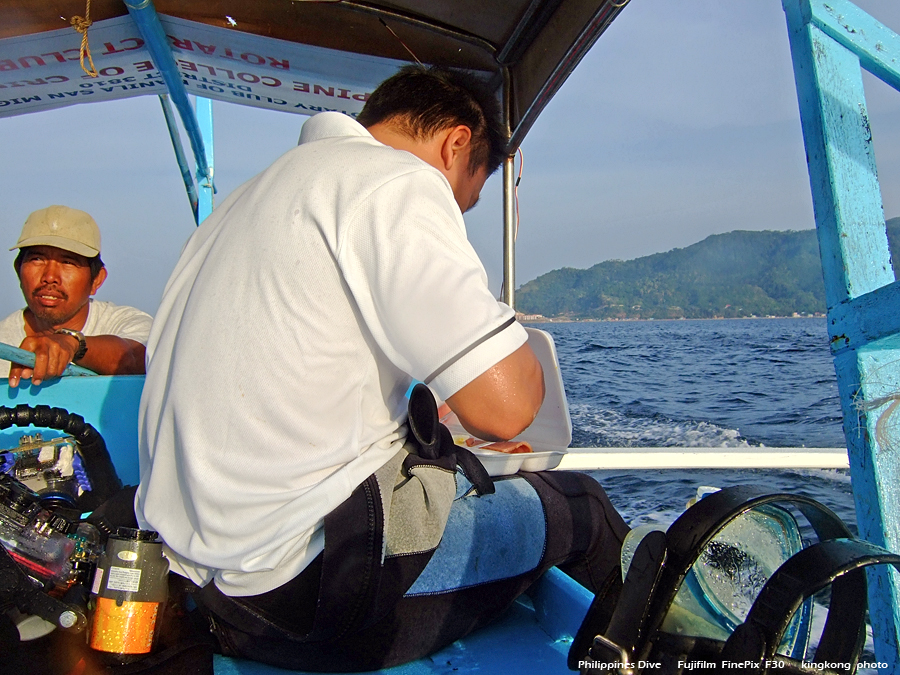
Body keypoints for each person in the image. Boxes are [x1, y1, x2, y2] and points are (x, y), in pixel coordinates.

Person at [136, 66, 628, 671]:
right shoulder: (395, 182)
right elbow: (507, 409)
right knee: (584, 507)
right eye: (465, 199)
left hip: (189, 585)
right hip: (296, 599)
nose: (457, 215)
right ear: (455, 145)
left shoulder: (244, 202)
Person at [0, 205, 152, 387]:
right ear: (18, 270)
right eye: (37, 259)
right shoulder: (4, 338)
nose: (49, 277)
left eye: (68, 262)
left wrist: (72, 344)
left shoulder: (128, 323)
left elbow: (135, 358)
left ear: (96, 280)